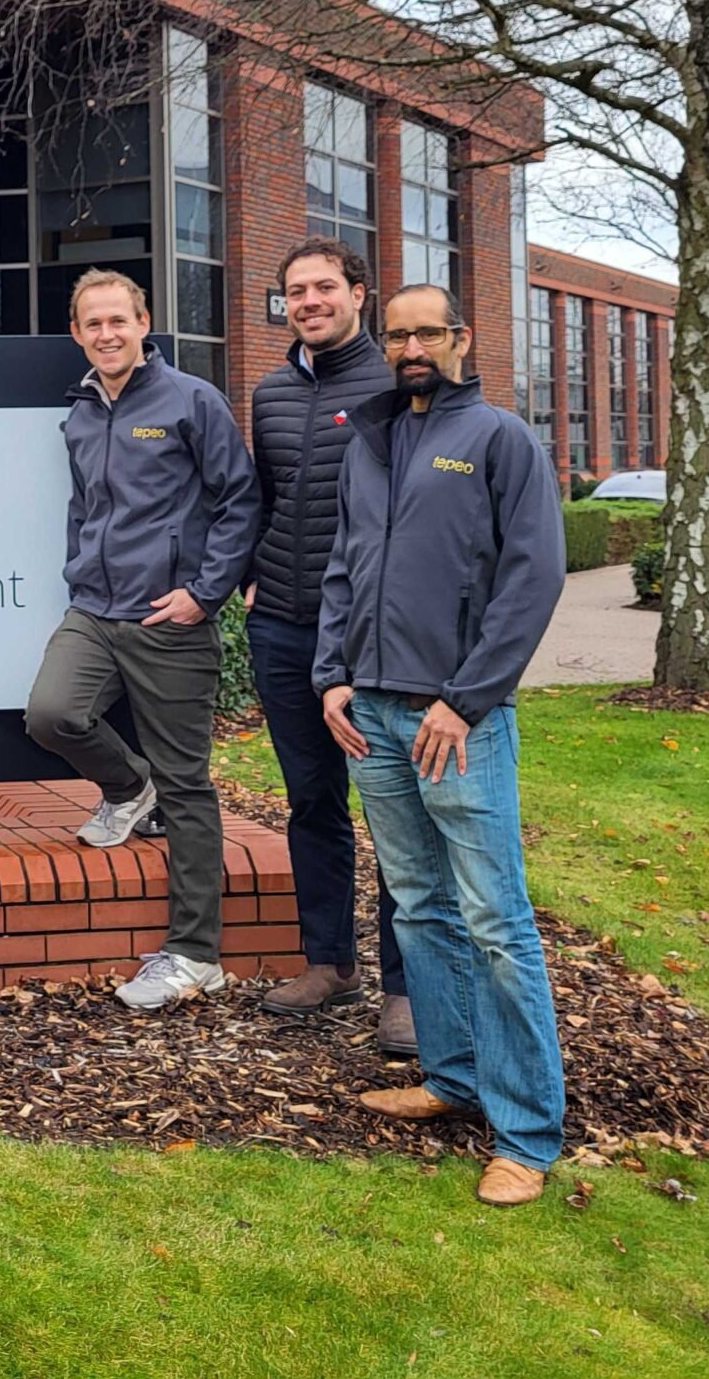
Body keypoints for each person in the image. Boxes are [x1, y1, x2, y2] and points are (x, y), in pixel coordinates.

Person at [315, 283, 569, 1206]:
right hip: (372, 716)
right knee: (420, 904)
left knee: (496, 921)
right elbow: (344, 565)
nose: (412, 346)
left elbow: (532, 579)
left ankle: (528, 1134)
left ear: (462, 338)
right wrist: (331, 674)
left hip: (452, 721)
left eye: (428, 332)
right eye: (398, 335)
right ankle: (453, 1081)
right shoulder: (372, 439)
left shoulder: (499, 439)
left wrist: (465, 700)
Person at [26, 268, 261, 1010]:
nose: (106, 334)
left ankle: (195, 953)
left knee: (188, 785)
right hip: (95, 610)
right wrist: (78, 576)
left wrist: (205, 593)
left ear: (143, 322)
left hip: (169, 619)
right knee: (51, 714)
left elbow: (239, 500)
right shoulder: (81, 412)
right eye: (92, 325)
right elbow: (85, 508)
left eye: (118, 321)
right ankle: (129, 786)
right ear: (77, 333)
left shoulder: (190, 400)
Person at [246, 239, 411, 1051]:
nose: (308, 301)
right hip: (281, 624)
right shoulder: (271, 391)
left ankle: (405, 987)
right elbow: (264, 497)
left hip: (371, 636)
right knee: (312, 802)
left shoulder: (393, 388)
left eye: (323, 288)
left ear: (357, 293)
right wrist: (249, 573)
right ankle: (330, 963)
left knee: (393, 810)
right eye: (295, 291)